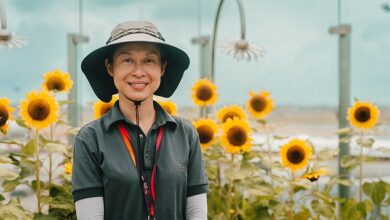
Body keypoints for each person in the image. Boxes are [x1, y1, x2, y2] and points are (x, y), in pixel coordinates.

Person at [72, 21, 208, 220]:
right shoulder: (90, 139)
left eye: (149, 60)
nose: (138, 72)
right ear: (110, 67)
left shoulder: (185, 134)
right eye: (127, 60)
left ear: (162, 67)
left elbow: (196, 213)